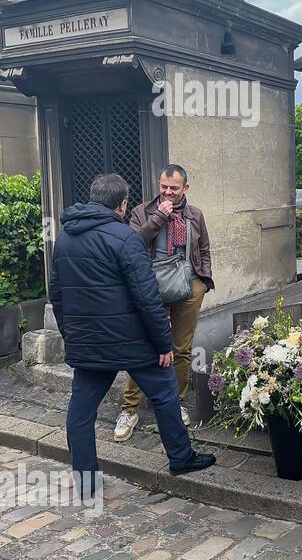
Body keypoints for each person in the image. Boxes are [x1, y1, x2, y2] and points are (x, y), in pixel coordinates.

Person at [49, 172, 216, 492]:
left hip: (90, 343)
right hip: (133, 340)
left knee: (81, 412)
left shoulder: (65, 238)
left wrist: (71, 335)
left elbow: (56, 295)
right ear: (123, 205)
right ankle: (180, 457)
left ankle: (85, 481)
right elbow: (146, 296)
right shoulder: (124, 237)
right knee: (166, 394)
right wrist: (163, 343)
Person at [113, 164, 213, 441]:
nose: (168, 192)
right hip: (151, 288)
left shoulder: (195, 215)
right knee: (144, 346)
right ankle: (129, 409)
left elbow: (204, 248)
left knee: (181, 349)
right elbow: (132, 243)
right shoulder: (142, 212)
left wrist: (203, 280)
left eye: (174, 188)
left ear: (185, 189)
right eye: (164, 186)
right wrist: (158, 217)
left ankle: (176, 403)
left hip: (189, 287)